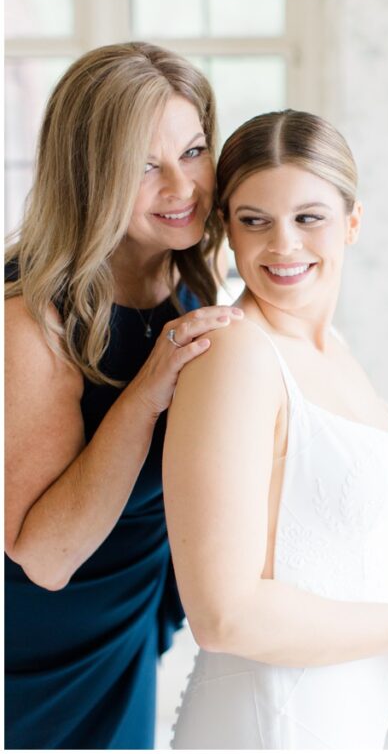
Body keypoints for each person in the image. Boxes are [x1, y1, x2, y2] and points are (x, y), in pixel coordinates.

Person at [163, 110, 388, 749]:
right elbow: (224, 615)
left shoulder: (333, 345)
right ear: (227, 228)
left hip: (343, 714)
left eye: (308, 218)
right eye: (255, 221)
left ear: (352, 223)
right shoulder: (235, 355)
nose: (283, 245)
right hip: (269, 723)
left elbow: (326, 545)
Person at [4, 42, 243, 748]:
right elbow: (43, 558)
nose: (184, 185)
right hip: (38, 645)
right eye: (145, 165)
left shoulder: (195, 268)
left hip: (133, 611)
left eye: (194, 150)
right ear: (88, 177)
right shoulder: (34, 315)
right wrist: (146, 390)